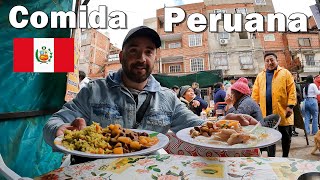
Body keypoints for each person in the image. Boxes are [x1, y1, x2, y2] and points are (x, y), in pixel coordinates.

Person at [43, 26, 205, 164]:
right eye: (134, 51)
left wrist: (225, 125)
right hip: (95, 172)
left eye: (148, 52)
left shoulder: (168, 98)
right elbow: (55, 122)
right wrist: (59, 129)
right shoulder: (94, 91)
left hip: (145, 170)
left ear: (155, 58)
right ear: (121, 56)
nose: (142, 58)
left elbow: (197, 126)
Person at [252, 52, 296, 157]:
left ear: (277, 61)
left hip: (283, 112)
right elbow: (255, 93)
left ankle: (285, 157)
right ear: (264, 63)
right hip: (266, 113)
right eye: (267, 61)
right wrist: (254, 108)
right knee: (269, 138)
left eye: (272, 60)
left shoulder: (285, 73)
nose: (270, 62)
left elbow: (292, 90)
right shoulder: (260, 76)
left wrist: (290, 106)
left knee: (286, 136)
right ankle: (272, 158)